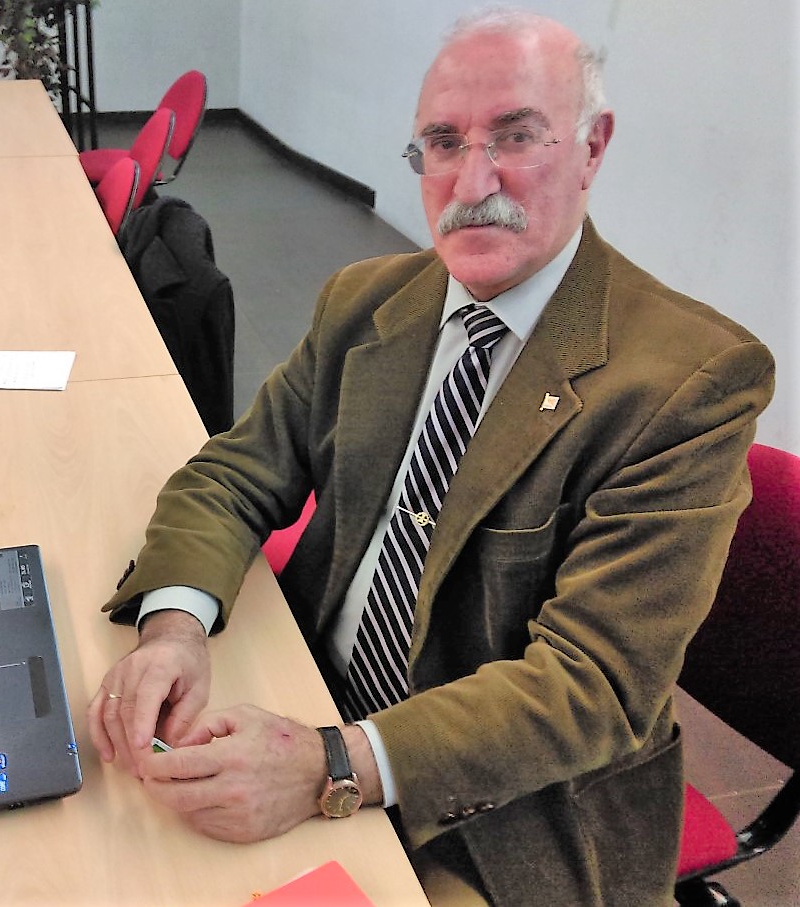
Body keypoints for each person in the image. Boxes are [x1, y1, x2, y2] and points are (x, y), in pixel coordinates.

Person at [86, 8, 775, 906]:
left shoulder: (690, 382)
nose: (472, 179)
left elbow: (592, 685)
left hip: (508, 799)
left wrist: (330, 763)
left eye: (515, 135)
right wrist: (173, 626)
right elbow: (234, 471)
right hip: (308, 685)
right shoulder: (366, 301)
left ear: (591, 147)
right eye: (442, 143)